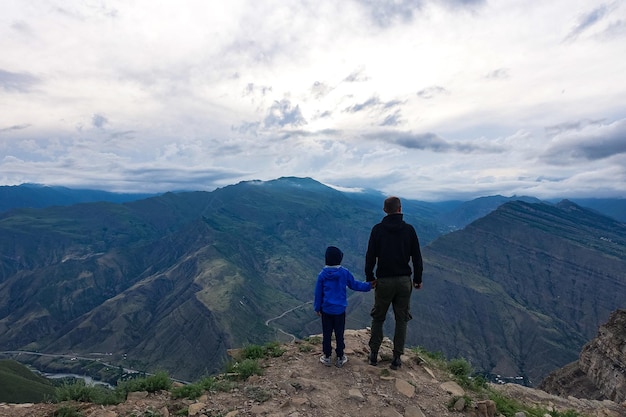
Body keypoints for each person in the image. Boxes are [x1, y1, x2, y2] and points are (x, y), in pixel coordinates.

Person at [365, 196, 423, 370]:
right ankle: (397, 358)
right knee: (401, 319)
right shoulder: (409, 230)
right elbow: (417, 257)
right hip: (404, 281)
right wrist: (417, 279)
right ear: (400, 209)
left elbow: (370, 256)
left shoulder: (377, 230)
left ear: (384, 210)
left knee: (378, 317)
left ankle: (374, 354)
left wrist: (370, 277)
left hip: (384, 281)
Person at [314, 245, 372, 368]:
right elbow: (355, 285)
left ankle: (327, 357)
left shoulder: (322, 275)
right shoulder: (344, 273)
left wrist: (317, 308)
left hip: (327, 310)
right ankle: (340, 356)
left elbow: (318, 293)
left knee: (327, 334)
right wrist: (369, 286)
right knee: (339, 334)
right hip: (340, 311)